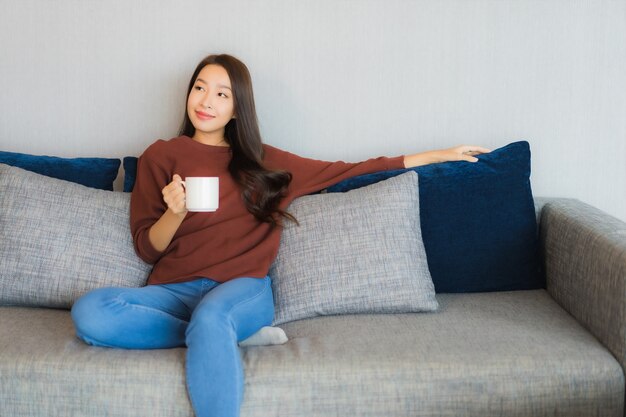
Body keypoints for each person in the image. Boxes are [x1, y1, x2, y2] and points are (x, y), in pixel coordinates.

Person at [71, 54, 490, 417]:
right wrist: (175, 213)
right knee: (91, 312)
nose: (206, 100)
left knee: (213, 317)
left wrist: (435, 155)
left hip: (241, 288)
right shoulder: (160, 155)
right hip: (174, 288)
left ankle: (217, 330)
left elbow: (351, 170)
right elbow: (146, 247)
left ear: (237, 108)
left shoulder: (264, 161)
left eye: (221, 93)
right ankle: (222, 336)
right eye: (200, 87)